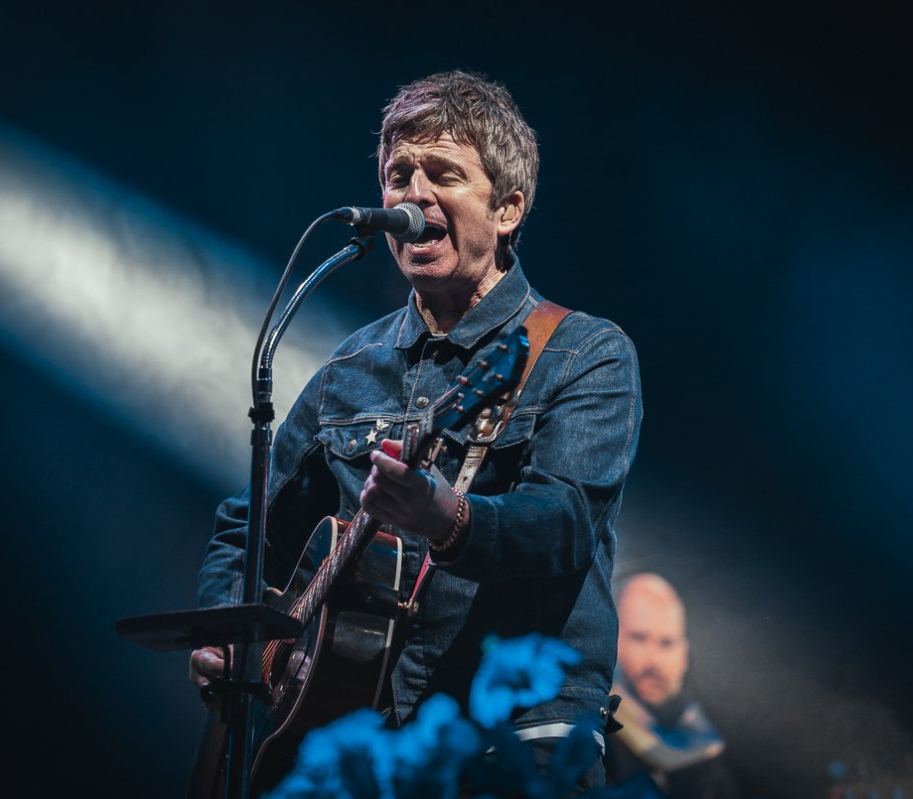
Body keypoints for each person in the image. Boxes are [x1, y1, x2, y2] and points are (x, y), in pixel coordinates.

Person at [189, 69, 642, 795]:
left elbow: (563, 528)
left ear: (508, 208)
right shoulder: (350, 368)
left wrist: (448, 516)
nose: (412, 194)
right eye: (398, 174)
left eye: (443, 173)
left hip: (514, 744)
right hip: (359, 747)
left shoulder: (584, 352)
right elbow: (246, 529)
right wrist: (226, 631)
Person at [605, 572, 740, 798]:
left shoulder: (708, 735)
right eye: (639, 638)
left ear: (684, 655)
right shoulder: (591, 723)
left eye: (666, 643)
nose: (653, 660)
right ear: (613, 638)